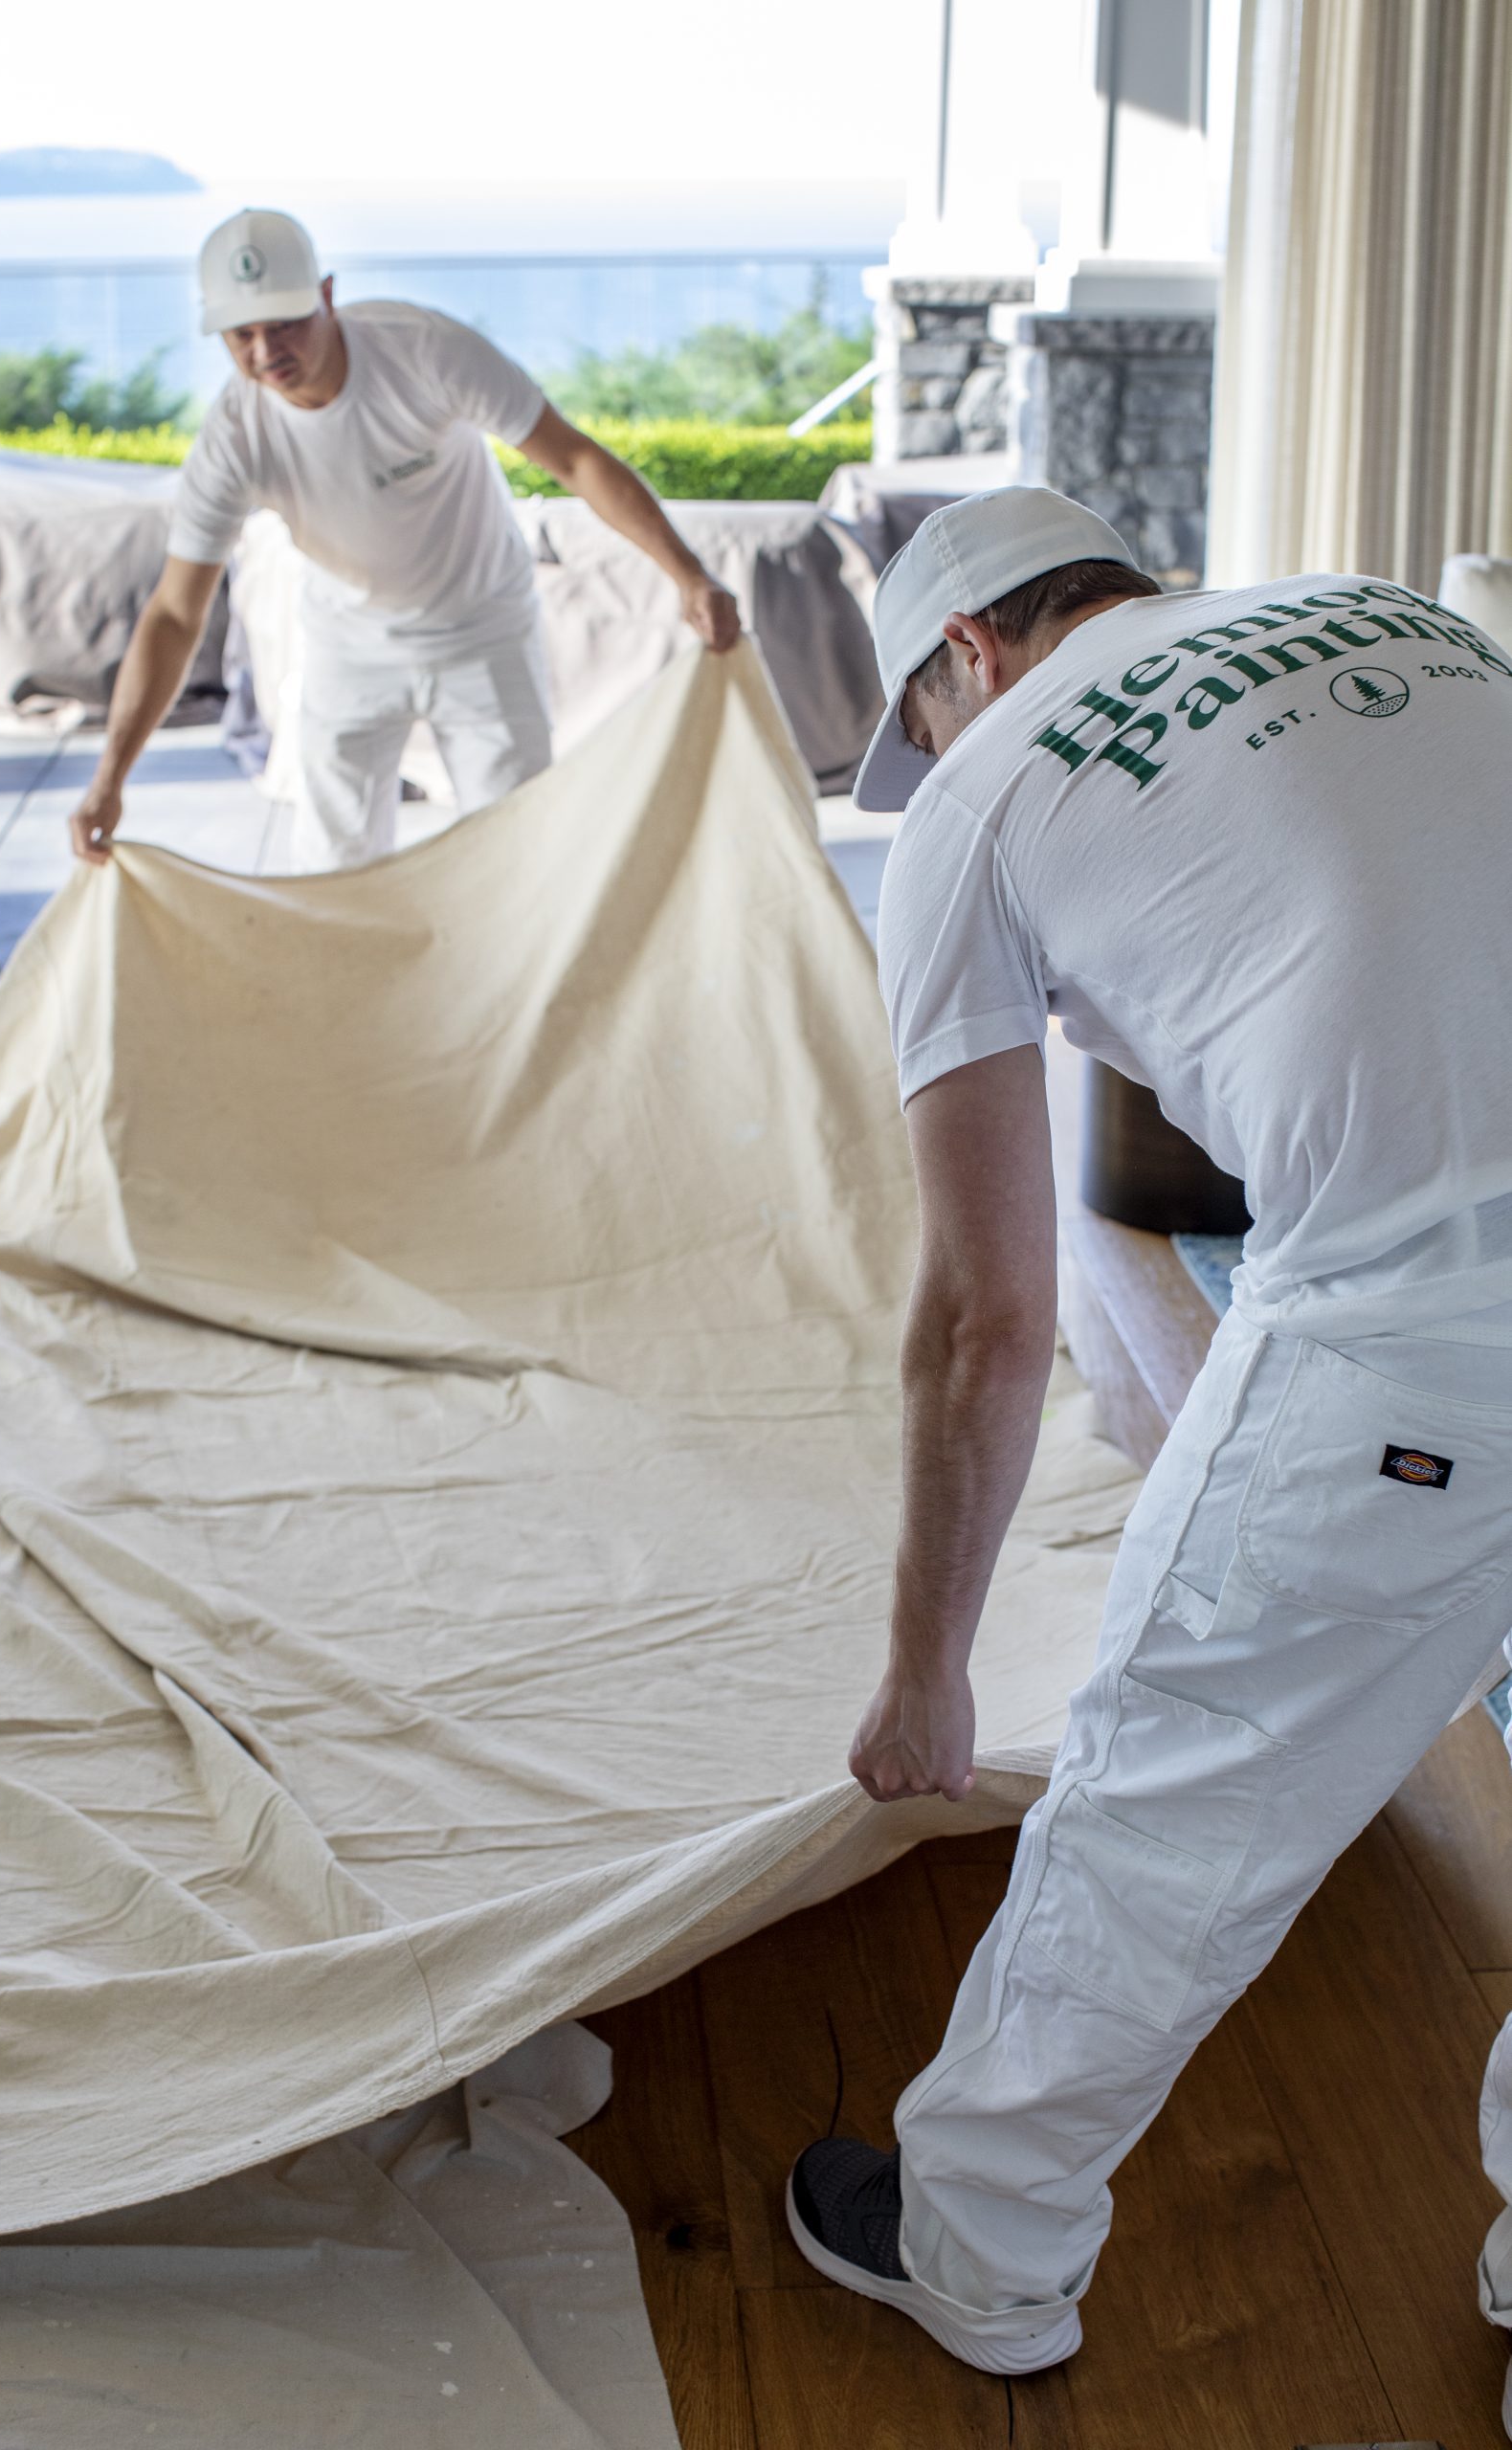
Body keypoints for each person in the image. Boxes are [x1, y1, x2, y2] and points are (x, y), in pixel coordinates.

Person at [785, 485, 1512, 2411]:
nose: (929, 755)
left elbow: (983, 1318)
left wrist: (928, 1666)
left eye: (923, 718)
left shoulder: (981, 792)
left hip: (1421, 1320)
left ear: (966, 651)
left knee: (1163, 1788)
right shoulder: (1386, 611)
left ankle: (979, 2248)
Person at [68, 209, 740, 870]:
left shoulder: (424, 350)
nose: (265, 352)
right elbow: (176, 613)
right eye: (240, 334)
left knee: (516, 852)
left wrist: (689, 575)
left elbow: (573, 458)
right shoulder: (233, 439)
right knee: (334, 868)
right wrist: (108, 782)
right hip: (349, 644)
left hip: (482, 627)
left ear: (327, 296)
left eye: (284, 324)